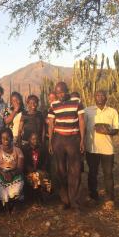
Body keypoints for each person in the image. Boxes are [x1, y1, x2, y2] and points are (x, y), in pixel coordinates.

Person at [48, 82, 85, 212]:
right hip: (58, 139)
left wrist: (82, 140)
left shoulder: (76, 102)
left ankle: (75, 202)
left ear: (67, 90)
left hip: (73, 139)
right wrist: (50, 141)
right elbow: (51, 124)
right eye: (58, 93)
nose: (60, 95)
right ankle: (65, 200)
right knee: (60, 170)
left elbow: (81, 120)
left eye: (62, 92)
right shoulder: (54, 105)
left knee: (75, 170)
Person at [84, 90, 119, 210]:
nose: (99, 97)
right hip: (91, 148)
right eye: (97, 95)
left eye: (102, 95)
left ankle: (110, 199)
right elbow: (83, 128)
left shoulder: (112, 111)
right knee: (92, 173)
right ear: (94, 97)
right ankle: (93, 196)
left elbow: (117, 129)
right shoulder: (88, 111)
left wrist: (108, 131)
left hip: (107, 149)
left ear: (106, 97)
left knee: (108, 174)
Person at [0, 128, 24, 213]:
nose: (6, 140)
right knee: (0, 184)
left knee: (18, 183)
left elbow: (20, 168)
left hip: (15, 172)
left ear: (12, 137)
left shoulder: (18, 150)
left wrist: (12, 174)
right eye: (3, 138)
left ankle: (14, 203)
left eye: (8, 137)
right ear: (0, 139)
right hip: (1, 172)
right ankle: (5, 204)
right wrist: (3, 173)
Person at [23, 132, 51, 202]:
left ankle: (43, 196)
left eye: (36, 139)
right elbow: (24, 163)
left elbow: (46, 162)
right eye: (33, 139)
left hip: (40, 171)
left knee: (43, 177)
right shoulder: (25, 149)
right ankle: (35, 197)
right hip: (29, 172)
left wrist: (41, 170)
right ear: (29, 140)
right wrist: (29, 169)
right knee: (34, 177)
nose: (35, 141)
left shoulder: (42, 149)